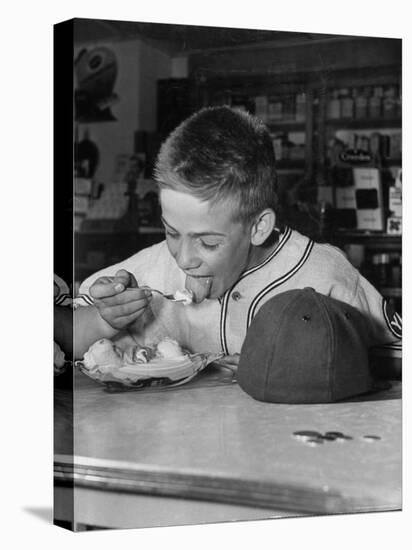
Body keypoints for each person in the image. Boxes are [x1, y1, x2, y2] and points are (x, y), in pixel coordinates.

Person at [73, 106, 402, 362]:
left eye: (208, 242)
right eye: (172, 232)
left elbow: (393, 355)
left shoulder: (324, 273)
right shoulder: (150, 270)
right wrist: (105, 316)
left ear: (258, 227)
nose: (184, 259)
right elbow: (67, 330)